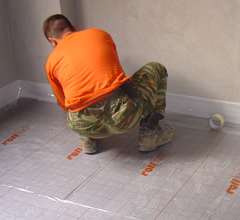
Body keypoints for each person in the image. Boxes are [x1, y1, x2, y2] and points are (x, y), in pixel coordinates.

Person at [43, 14, 173, 154]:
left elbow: (64, 104)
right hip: (122, 117)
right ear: (74, 28)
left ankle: (88, 140)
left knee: (77, 102)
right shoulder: (99, 34)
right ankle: (150, 135)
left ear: (53, 41)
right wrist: (139, 101)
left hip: (82, 124)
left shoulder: (51, 62)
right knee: (156, 68)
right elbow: (118, 78)